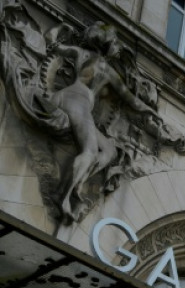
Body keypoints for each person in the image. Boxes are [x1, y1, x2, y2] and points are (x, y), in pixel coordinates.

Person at [46, 22, 161, 222]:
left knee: (109, 150)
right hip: (78, 103)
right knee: (89, 152)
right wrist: (151, 111)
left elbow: (52, 42)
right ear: (109, 47)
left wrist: (61, 27)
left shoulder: (80, 53)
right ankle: (61, 196)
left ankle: (78, 183)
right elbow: (131, 100)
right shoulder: (107, 71)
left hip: (66, 97)